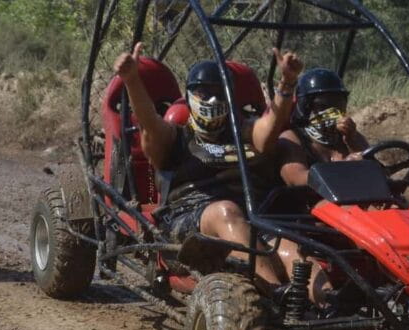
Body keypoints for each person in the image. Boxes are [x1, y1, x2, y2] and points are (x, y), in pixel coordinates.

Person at [113, 42, 303, 293]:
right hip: (187, 232)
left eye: (219, 92)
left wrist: (287, 83)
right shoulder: (176, 138)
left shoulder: (244, 133)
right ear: (190, 96)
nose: (212, 99)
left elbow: (270, 125)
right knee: (224, 211)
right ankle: (276, 294)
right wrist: (132, 80)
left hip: (251, 223)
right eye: (203, 93)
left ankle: (329, 308)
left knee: (291, 250)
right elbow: (149, 122)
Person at [274, 68, 372, 309]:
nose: (333, 111)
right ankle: (333, 301)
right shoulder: (292, 137)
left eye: (338, 104)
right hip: (309, 220)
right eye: (323, 104)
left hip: (358, 216)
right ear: (306, 107)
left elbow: (375, 169)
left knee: (396, 207)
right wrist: (345, 169)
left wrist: (353, 141)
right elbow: (295, 176)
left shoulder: (345, 139)